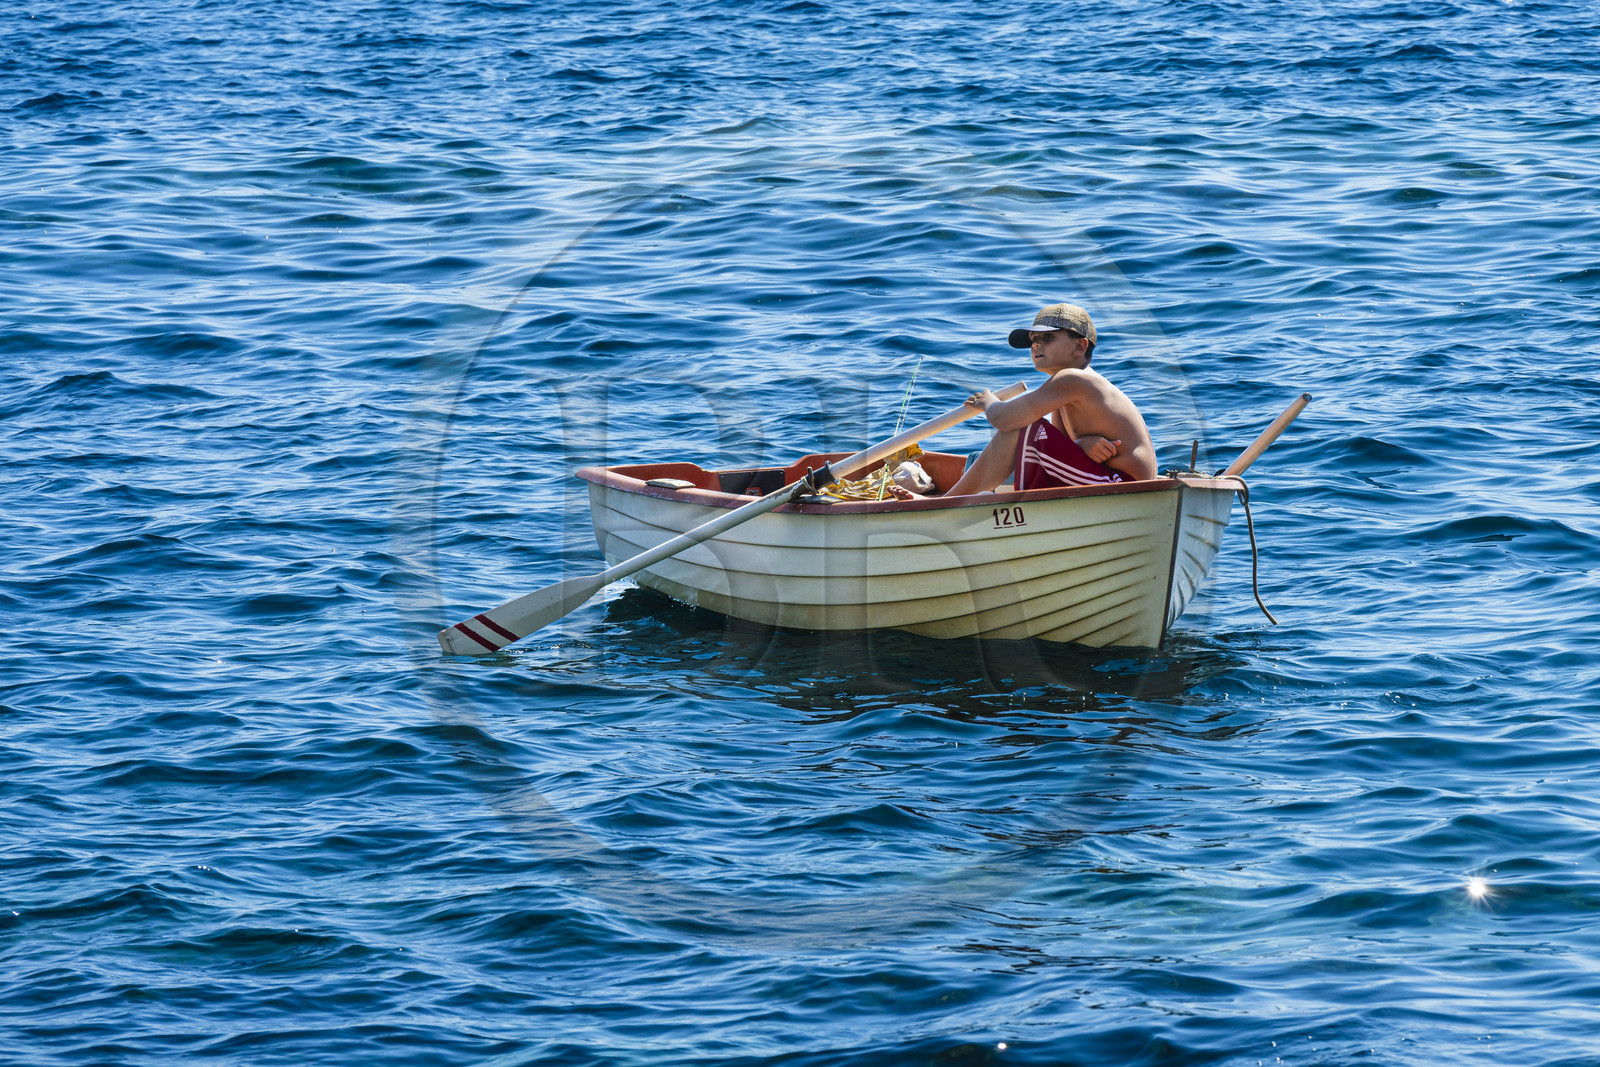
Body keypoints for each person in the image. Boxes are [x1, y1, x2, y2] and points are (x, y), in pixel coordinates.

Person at [891, 303, 1156, 499]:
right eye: (1033, 341)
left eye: (1047, 338)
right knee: (1030, 429)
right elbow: (1061, 444)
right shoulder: (1067, 388)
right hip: (1114, 482)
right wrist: (1081, 444)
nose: (1036, 346)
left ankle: (948, 502)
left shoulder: (1073, 379)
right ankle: (968, 497)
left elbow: (1004, 419)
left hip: (1123, 486)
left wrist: (988, 400)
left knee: (1022, 428)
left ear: (1080, 347)